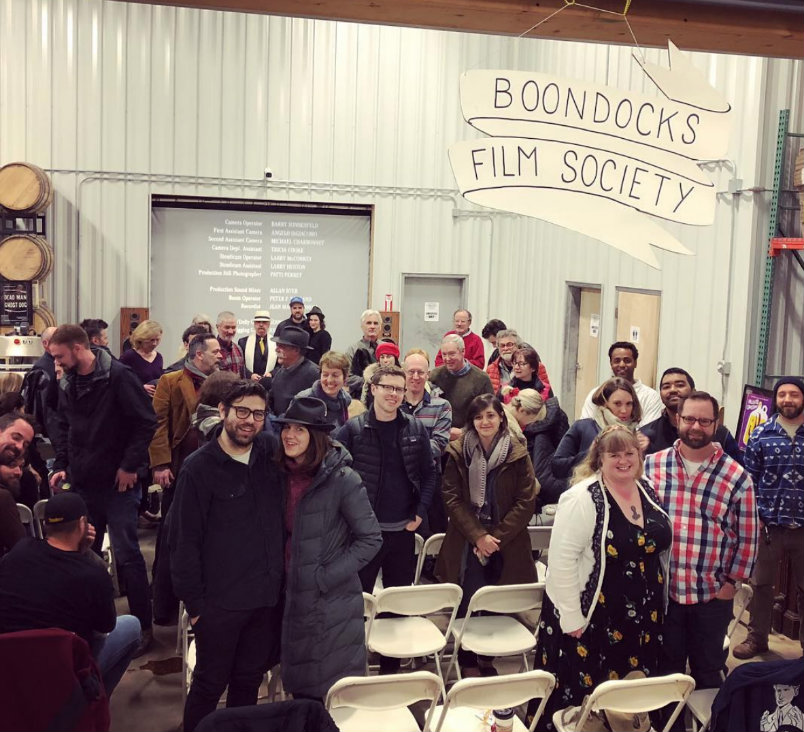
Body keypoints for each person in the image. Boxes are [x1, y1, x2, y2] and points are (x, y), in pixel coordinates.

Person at [532, 425, 672, 731]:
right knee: (588, 703)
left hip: (641, 619)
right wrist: (571, 617)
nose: (623, 460)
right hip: (592, 618)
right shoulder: (582, 497)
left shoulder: (646, 488)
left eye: (629, 453)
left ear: (639, 455)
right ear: (599, 458)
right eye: (614, 454)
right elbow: (561, 561)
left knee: (629, 698)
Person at [170, 380, 284, 732]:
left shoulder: (269, 452)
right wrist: (198, 608)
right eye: (243, 412)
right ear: (223, 412)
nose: (250, 420)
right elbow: (183, 543)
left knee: (248, 681)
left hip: (264, 600)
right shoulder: (198, 469)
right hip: (219, 605)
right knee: (209, 684)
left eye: (259, 414)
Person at [644, 391, 757, 710]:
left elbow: (747, 538)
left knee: (709, 672)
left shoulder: (737, 477)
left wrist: (731, 584)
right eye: (690, 418)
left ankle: (710, 722)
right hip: (663, 591)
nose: (696, 426)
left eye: (704, 421)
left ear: (715, 424)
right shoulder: (652, 466)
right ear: (677, 419)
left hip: (711, 594)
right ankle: (669, 724)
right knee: (666, 672)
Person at [48, 325, 157, 654]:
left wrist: (129, 466)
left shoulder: (119, 377)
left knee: (128, 556)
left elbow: (146, 422)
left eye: (59, 356)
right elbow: (67, 426)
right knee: (86, 555)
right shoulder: (68, 381)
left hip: (117, 485)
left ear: (79, 348)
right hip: (84, 483)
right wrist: (63, 464)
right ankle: (94, 624)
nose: (55, 362)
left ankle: (142, 628)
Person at [275, 396, 381, 701]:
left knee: (321, 690)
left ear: (317, 437)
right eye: (287, 428)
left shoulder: (342, 479)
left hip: (327, 600)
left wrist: (324, 577)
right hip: (287, 594)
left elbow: (371, 538)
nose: (290, 435)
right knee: (297, 685)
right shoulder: (281, 474)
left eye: (300, 430)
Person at [335, 365, 436, 672]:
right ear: (374, 389)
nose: (394, 394)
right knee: (357, 602)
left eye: (399, 389)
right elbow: (334, 474)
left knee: (396, 603)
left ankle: (391, 668)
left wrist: (420, 512)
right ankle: (353, 666)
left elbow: (430, 474)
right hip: (364, 535)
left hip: (402, 532)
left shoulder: (415, 429)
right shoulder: (353, 429)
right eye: (388, 387)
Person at [435, 394, 538, 675]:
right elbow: (451, 498)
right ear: (471, 422)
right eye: (478, 417)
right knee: (468, 599)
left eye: (490, 415)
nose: (485, 422)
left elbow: (526, 501)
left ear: (501, 418)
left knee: (495, 600)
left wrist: (496, 539)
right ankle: (467, 660)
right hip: (468, 539)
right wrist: (479, 536)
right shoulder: (458, 452)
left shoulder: (517, 452)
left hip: (506, 540)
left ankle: (486, 658)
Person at [0, 492, 141, 696]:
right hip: (65, 673)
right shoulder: (92, 573)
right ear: (83, 523)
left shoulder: (19, 551)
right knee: (131, 626)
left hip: (12, 669)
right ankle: (91, 706)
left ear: (46, 524)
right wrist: (86, 554)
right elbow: (105, 626)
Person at [734, 376, 804, 659]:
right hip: (767, 526)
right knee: (762, 585)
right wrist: (754, 517)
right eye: (782, 394)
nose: (787, 399)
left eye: (794, 394)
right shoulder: (761, 434)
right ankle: (756, 640)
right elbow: (749, 479)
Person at [641, 367, 743, 463]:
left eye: (680, 385)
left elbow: (739, 473)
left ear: (693, 391)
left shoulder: (720, 434)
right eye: (666, 387)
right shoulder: (646, 434)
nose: (672, 390)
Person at [552, 377, 647, 479]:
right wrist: (591, 453)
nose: (624, 410)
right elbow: (557, 467)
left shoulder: (637, 436)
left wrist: (643, 453)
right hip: (587, 491)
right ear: (604, 403)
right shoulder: (583, 427)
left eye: (629, 404)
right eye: (617, 404)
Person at [505, 389, 569, 508]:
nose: (529, 424)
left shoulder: (504, 419)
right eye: (531, 420)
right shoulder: (509, 429)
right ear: (522, 410)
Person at [580, 342, 663, 426]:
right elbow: (585, 426)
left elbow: (648, 431)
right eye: (617, 361)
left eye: (627, 361)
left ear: (635, 363)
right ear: (611, 363)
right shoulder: (596, 393)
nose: (622, 365)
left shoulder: (650, 396)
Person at [430, 333, 494, 440]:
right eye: (444, 354)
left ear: (463, 352)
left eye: (452, 354)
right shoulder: (435, 376)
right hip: (439, 437)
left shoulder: (481, 379)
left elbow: (490, 413)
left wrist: (464, 432)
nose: (447, 358)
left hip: (470, 438)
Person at [296, 351, 365, 428]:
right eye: (325, 375)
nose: (329, 380)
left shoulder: (345, 400)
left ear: (345, 378)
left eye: (335, 375)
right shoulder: (303, 399)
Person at [268, 326, 319, 416]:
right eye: (277, 345)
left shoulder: (314, 374)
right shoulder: (280, 372)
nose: (276, 349)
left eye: (282, 346)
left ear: (296, 350)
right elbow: (271, 401)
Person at [21, 326, 60, 441]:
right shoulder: (42, 371)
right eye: (58, 339)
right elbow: (44, 410)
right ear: (45, 343)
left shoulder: (59, 364)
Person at [119, 319, 164, 396]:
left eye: (157, 340)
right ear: (141, 339)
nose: (154, 343)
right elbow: (120, 381)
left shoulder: (159, 357)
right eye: (151, 340)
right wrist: (141, 388)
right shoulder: (129, 356)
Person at [359, 340, 400, 408]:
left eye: (388, 357)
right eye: (382, 357)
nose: (385, 360)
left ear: (395, 358)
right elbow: (364, 400)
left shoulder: (402, 377)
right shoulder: (371, 377)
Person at [238, 310, 277, 380]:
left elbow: (281, 365)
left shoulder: (276, 343)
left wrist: (271, 373)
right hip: (249, 384)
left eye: (264, 322)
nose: (261, 325)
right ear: (254, 324)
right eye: (258, 322)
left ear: (269, 324)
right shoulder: (243, 342)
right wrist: (250, 375)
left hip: (270, 384)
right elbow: (240, 365)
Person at [345, 309, 381, 377]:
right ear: (362, 326)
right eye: (369, 323)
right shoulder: (353, 349)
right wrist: (368, 383)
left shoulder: (386, 347)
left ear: (380, 327)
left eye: (376, 323)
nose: (372, 326)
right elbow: (348, 377)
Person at [485, 328, 520, 393]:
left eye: (509, 344)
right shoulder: (491, 369)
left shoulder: (533, 365)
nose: (505, 348)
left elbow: (544, 393)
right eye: (502, 345)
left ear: (517, 346)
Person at [215, 311, 245, 377]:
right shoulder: (212, 351)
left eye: (233, 327)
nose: (231, 331)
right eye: (227, 327)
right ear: (217, 327)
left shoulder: (238, 349)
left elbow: (243, 377)